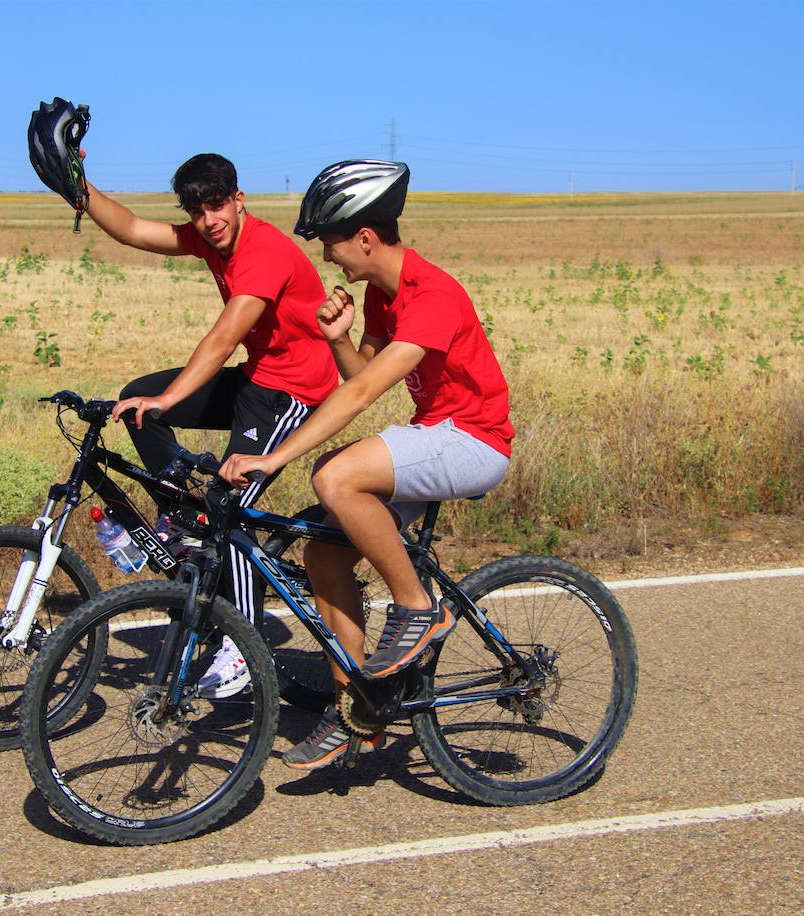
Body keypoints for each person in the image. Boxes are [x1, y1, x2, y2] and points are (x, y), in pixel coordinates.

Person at [30, 103, 339, 699]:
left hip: (296, 392)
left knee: (232, 505)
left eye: (217, 204)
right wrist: (79, 188)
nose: (208, 219)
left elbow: (223, 338)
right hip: (259, 381)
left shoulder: (266, 251)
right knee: (136, 401)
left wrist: (170, 397)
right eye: (196, 210)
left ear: (239, 198)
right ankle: (179, 516)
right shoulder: (209, 240)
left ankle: (244, 647)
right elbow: (135, 229)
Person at [220, 160, 514, 769]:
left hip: (474, 440)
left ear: (365, 237)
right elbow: (362, 375)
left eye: (330, 244)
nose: (328, 259)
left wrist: (274, 457)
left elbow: (357, 397)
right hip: (435, 434)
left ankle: (416, 607)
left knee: (334, 475)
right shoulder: (385, 297)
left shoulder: (432, 294)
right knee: (324, 553)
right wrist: (340, 340)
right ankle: (360, 708)